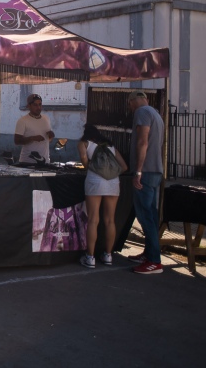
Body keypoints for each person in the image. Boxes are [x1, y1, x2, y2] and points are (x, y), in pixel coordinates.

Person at [77, 124, 128, 268]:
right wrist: (111, 174)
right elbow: (124, 167)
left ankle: (90, 257)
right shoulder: (110, 146)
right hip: (113, 182)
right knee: (110, 220)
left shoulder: (83, 143)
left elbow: (85, 163)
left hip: (95, 181)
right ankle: (108, 255)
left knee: (93, 219)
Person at [127, 90, 165, 275]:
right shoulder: (155, 113)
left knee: (146, 216)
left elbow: (143, 142)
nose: (130, 107)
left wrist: (139, 171)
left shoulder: (141, 113)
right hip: (155, 170)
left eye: (130, 103)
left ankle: (154, 260)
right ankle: (149, 254)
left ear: (134, 102)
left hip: (146, 172)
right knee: (150, 214)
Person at [14, 94, 55, 164]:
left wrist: (51, 136)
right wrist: (32, 138)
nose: (38, 107)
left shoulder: (46, 118)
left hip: (45, 161)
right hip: (28, 161)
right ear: (29, 106)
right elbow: (17, 141)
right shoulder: (22, 121)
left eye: (40, 104)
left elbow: (48, 140)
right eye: (35, 105)